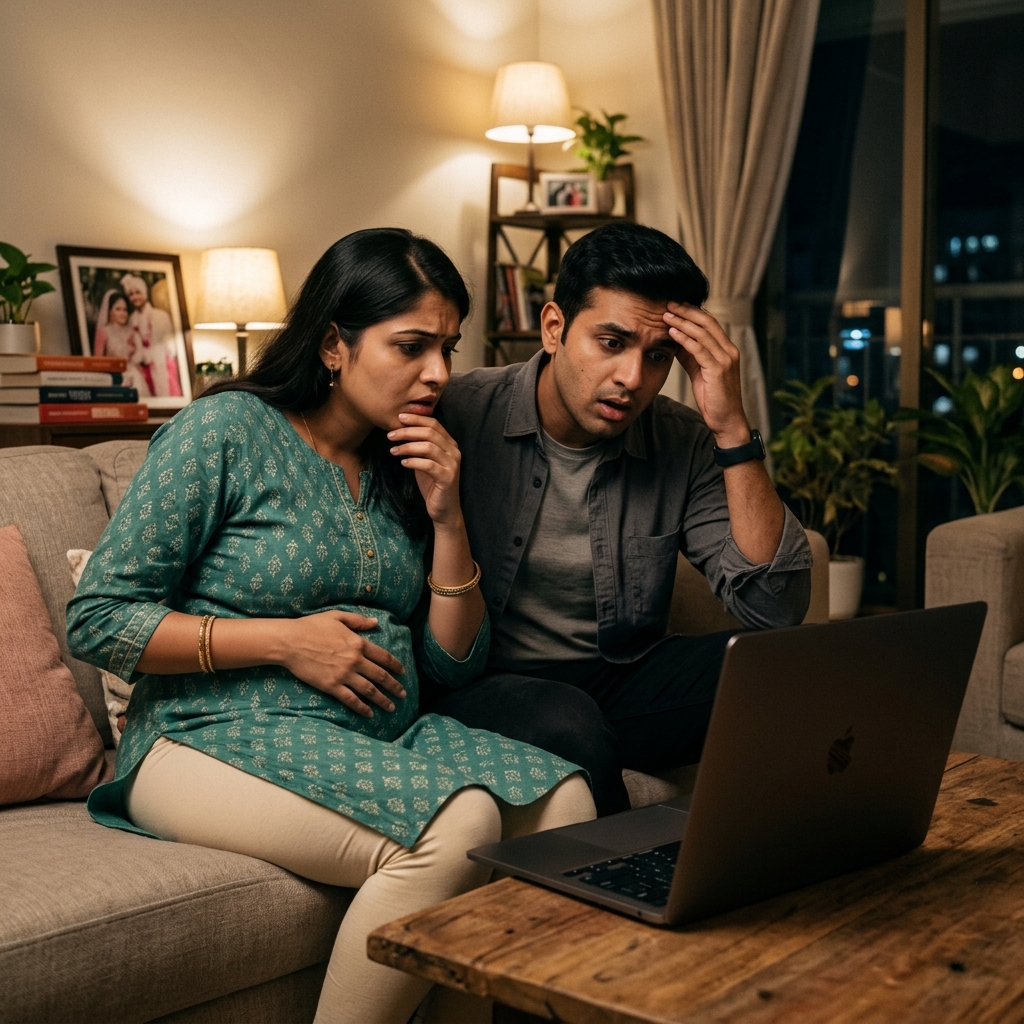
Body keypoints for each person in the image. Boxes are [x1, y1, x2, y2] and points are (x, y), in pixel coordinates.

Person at [67, 228, 595, 1024]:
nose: (439, 374)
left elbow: (453, 663)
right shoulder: (226, 433)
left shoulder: (402, 464)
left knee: (564, 805)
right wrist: (283, 640)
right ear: (333, 345)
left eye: (448, 347)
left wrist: (448, 516)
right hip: (200, 736)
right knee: (460, 825)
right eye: (411, 345)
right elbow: (99, 617)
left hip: (372, 735)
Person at [428, 221, 814, 817]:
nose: (633, 379)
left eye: (658, 356)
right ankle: (617, 887)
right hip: (482, 684)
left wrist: (732, 428)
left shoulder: (682, 440)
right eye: (612, 342)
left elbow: (775, 607)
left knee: (787, 669)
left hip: (618, 677)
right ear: (554, 327)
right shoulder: (458, 412)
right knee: (568, 723)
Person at [121, 272, 182, 398]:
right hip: (143, 367)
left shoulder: (161, 316)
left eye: (138, 292)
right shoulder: (131, 320)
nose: (135, 297)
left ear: (145, 293)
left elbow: (170, 346)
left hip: (163, 365)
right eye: (131, 294)